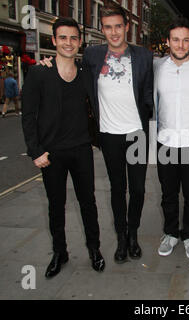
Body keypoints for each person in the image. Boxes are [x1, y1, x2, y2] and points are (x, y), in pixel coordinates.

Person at [21, 17, 105, 278]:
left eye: (73, 38)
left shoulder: (85, 73)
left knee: (88, 203)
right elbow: (28, 115)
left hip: (81, 150)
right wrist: (35, 151)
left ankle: (94, 249)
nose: (68, 43)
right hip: (52, 153)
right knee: (56, 205)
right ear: (54, 40)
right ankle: (60, 252)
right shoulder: (39, 73)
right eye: (63, 38)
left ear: (79, 42)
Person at [82, 4, 153, 264]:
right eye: (108, 27)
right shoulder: (92, 55)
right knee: (116, 189)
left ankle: (133, 234)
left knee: (137, 189)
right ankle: (122, 238)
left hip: (137, 134)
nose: (113, 32)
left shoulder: (143, 56)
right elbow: (79, 83)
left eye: (118, 26)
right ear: (103, 29)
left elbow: (149, 92)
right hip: (109, 135)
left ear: (126, 28)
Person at [154, 18, 189, 259]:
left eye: (185, 40)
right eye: (175, 39)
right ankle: (170, 233)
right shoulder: (156, 66)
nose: (180, 44)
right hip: (164, 142)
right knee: (168, 194)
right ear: (167, 41)